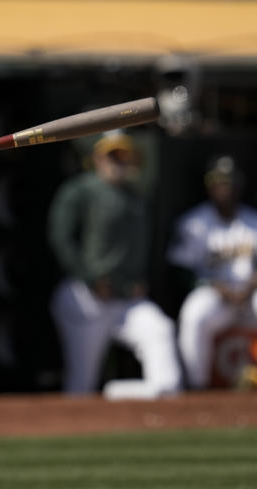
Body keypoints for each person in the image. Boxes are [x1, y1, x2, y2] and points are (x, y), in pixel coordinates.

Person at [48, 131, 181, 399]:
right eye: (112, 155)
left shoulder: (137, 197)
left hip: (127, 298)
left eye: (123, 155)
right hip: (87, 296)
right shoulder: (81, 189)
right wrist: (89, 278)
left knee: (160, 330)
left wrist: (141, 280)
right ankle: (75, 426)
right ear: (98, 158)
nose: (118, 162)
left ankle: (140, 398)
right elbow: (60, 236)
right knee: (81, 382)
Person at [168, 155, 257, 389]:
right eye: (219, 182)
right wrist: (216, 286)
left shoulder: (253, 220)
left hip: (250, 295)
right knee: (194, 314)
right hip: (215, 295)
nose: (225, 188)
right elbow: (180, 272)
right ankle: (198, 387)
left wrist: (251, 284)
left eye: (230, 182)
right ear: (209, 185)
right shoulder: (193, 223)